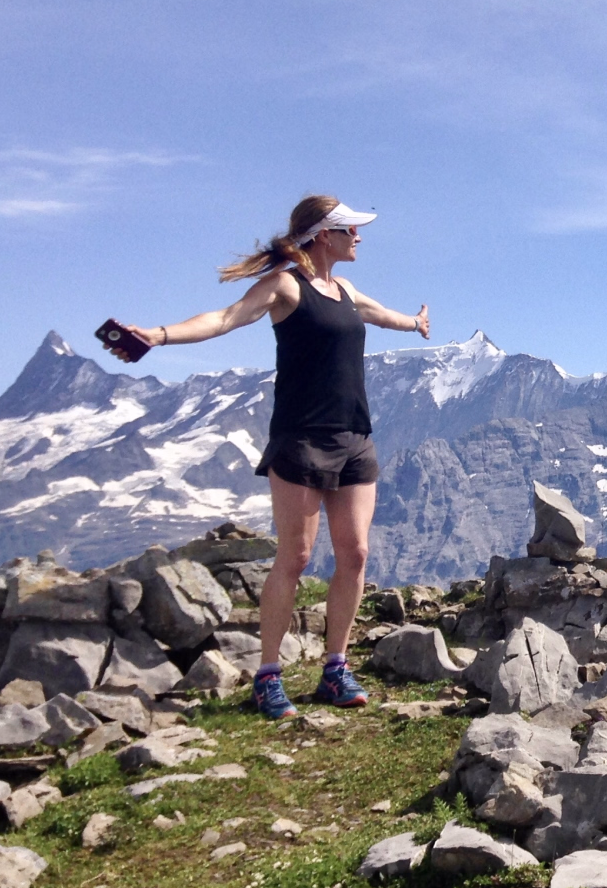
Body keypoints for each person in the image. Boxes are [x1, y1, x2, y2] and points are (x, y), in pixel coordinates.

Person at [105, 195, 430, 719]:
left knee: (355, 554)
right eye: (351, 230)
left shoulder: (343, 289)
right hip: (300, 437)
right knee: (296, 558)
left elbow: (380, 314)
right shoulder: (285, 286)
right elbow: (225, 318)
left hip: (354, 436)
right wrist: (158, 336)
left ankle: (336, 668)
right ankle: (269, 674)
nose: (359, 238)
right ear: (325, 235)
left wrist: (414, 323)